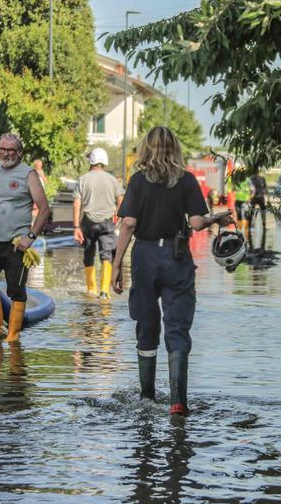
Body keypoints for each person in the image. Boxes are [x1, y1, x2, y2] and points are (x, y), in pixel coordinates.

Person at [111, 126, 232, 416]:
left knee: (146, 323)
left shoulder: (138, 181)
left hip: (145, 255)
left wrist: (116, 264)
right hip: (176, 257)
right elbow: (197, 224)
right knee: (177, 326)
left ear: (146, 149)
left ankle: (147, 397)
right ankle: (178, 401)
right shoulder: (187, 181)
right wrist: (219, 216)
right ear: (175, 149)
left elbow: (128, 224)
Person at [0, 133, 50, 343]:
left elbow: (44, 209)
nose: (5, 153)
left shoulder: (28, 174)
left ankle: (13, 335)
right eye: (1, 149)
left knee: (16, 290)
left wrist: (30, 237)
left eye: (10, 150)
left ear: (19, 153)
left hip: (17, 244)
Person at [73, 148, 124, 299]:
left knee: (89, 253)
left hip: (88, 222)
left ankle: (91, 289)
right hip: (108, 222)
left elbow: (76, 205)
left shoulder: (83, 179)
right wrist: (117, 216)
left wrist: (76, 227)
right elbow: (121, 200)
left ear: (91, 162)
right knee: (106, 254)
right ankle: (105, 291)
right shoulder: (113, 180)